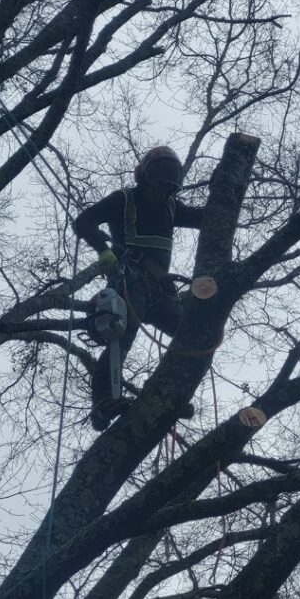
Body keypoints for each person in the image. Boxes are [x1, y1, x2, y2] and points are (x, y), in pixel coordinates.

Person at [74, 146, 205, 430]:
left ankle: (169, 393)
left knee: (193, 334)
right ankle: (103, 401)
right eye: (158, 175)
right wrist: (103, 250)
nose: (159, 189)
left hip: (161, 287)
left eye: (168, 178)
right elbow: (84, 221)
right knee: (124, 331)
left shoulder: (172, 208)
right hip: (130, 278)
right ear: (143, 176)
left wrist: (222, 188)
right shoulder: (124, 199)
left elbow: (204, 218)